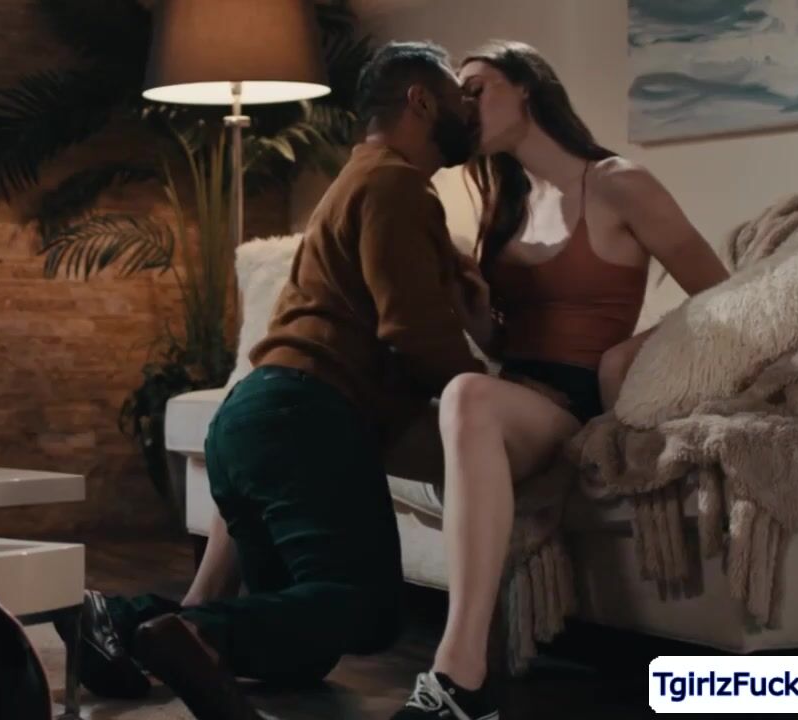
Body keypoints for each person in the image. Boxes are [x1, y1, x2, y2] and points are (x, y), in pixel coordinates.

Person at [58, 41, 488, 720]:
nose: (472, 113)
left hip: (252, 418)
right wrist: (485, 393)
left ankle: (120, 620)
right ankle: (190, 632)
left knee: (298, 644)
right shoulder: (397, 185)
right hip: (305, 417)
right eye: (462, 98)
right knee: (366, 609)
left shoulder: (358, 179)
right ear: (421, 101)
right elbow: (413, 330)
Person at [391, 40, 729, 720]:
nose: (463, 106)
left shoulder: (617, 182)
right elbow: (502, 343)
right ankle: (231, 618)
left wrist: (630, 356)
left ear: (526, 87)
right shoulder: (505, 204)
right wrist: (471, 309)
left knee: (466, 395)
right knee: (319, 405)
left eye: (476, 88)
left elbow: (723, 295)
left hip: (569, 405)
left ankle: (459, 674)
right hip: (508, 395)